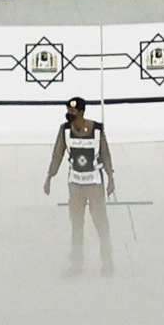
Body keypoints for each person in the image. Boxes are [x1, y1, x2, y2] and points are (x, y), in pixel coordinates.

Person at [51, 107, 118, 274]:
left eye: (73, 111)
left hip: (94, 184)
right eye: (68, 111)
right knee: (76, 225)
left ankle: (107, 263)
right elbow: (57, 154)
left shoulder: (97, 130)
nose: (70, 114)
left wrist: (110, 178)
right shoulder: (65, 130)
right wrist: (49, 176)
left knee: (101, 225)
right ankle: (77, 264)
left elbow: (105, 154)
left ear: (82, 112)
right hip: (75, 185)